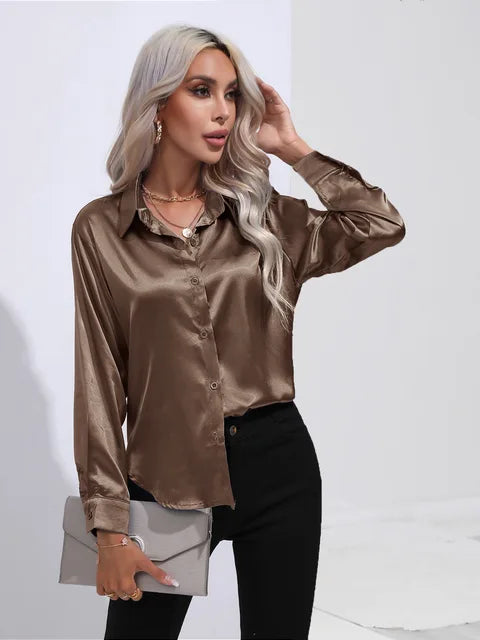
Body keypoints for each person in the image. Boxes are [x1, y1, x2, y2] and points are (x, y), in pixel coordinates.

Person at [70, 23, 406, 640]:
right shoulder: (100, 229)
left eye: (231, 94)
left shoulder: (263, 217)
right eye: (202, 91)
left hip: (279, 467)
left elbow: (379, 224)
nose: (223, 110)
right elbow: (99, 383)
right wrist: (109, 528)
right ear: (158, 104)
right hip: (166, 476)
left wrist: (294, 148)